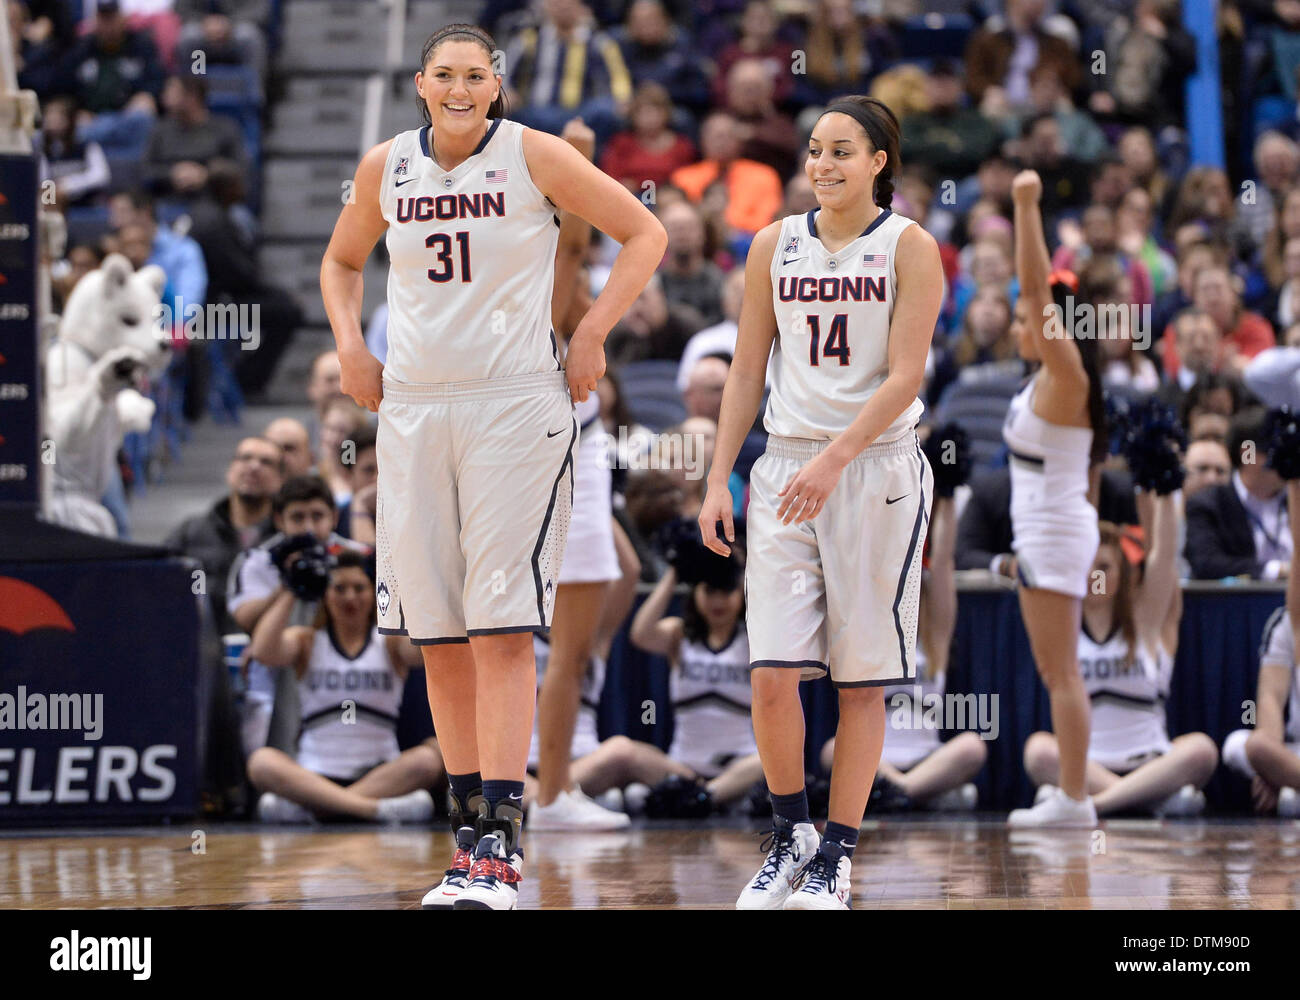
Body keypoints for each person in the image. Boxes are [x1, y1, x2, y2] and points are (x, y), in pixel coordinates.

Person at [319, 22, 665, 911]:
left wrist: (588, 332)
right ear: (423, 85)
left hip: (516, 403)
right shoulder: (384, 166)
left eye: (477, 74)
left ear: (498, 81)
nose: (462, 87)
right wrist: (352, 347)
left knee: (502, 630)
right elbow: (340, 259)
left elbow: (645, 232)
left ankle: (504, 851)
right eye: (447, 75)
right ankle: (466, 842)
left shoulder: (535, 155)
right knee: (437, 634)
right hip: (414, 407)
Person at [699, 95, 943, 909]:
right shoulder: (774, 244)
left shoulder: (910, 247)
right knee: (771, 671)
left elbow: (905, 377)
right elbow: (744, 371)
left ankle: (838, 853)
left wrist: (836, 461)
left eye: (841, 152)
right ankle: (790, 831)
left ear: (879, 162)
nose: (822, 166)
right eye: (813, 152)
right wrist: (717, 479)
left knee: (860, 679)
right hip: (786, 470)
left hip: (872, 469)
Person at [1001, 169, 1104, 827]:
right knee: (1055, 667)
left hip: (1054, 532)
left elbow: (1037, 288)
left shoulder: (1067, 374)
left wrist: (1025, 206)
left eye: (1024, 320)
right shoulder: (1044, 378)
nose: (1018, 326)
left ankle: (1073, 800)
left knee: (1062, 670)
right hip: (1048, 528)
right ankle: (1071, 795)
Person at [1023, 500, 1218, 817]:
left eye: (1104, 567)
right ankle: (1149, 801)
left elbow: (1165, 553)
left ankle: (1089, 805)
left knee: (1201, 750)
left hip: (1151, 763)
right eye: (1087, 566)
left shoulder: (1147, 625)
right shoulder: (1064, 632)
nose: (1093, 576)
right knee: (1038, 750)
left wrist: (1164, 492)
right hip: (1087, 766)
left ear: (1124, 573)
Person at [818, 461, 986, 810]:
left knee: (973, 745)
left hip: (927, 760)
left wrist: (949, 492)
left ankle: (899, 794)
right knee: (831, 750)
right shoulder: (864, 623)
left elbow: (942, 562)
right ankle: (915, 795)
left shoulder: (933, 635)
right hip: (876, 761)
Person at [246, 550, 444, 825]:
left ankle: (320, 809)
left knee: (429, 758)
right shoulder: (307, 640)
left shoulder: (389, 642)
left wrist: (403, 591)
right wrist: (293, 588)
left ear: (374, 592)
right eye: (339, 588)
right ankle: (370, 810)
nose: (350, 597)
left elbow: (428, 652)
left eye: (359, 588)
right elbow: (263, 650)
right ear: (325, 595)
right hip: (314, 774)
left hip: (380, 773)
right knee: (261, 762)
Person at [627, 539, 762, 810]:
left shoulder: (753, 639)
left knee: (768, 762)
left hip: (737, 766)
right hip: (682, 766)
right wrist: (678, 571)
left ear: (741, 592)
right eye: (709, 591)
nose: (718, 601)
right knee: (630, 760)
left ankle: (701, 797)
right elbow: (641, 634)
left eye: (726, 591)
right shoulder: (679, 635)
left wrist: (745, 565)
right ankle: (707, 797)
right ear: (695, 592)